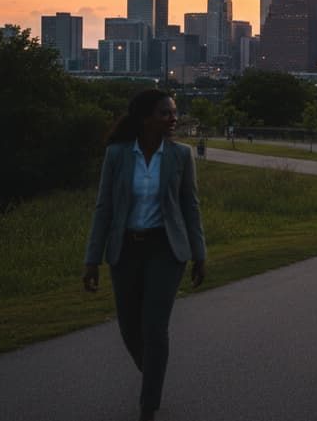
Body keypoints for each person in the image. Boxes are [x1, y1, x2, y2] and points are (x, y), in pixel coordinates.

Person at [83, 89, 206, 421]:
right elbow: (104, 207)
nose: (173, 118)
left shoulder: (181, 155)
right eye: (165, 113)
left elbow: (190, 207)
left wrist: (200, 253)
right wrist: (92, 259)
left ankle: (148, 404)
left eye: (174, 112)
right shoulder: (118, 154)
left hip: (166, 250)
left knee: (154, 327)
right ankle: (153, 372)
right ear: (145, 118)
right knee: (128, 327)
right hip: (125, 249)